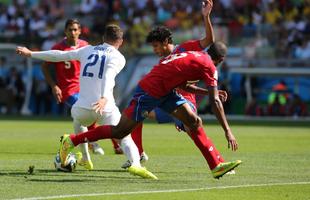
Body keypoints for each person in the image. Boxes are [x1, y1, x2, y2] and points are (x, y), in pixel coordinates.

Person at [17, 41, 242, 179]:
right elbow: (216, 103)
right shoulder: (209, 65)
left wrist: (201, 93)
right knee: (118, 132)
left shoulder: (196, 55)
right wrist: (228, 131)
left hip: (164, 90)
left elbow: (180, 82)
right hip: (149, 92)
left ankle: (216, 165)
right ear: (220, 59)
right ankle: (73, 140)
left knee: (194, 121)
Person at [16, 24, 157, 179]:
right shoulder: (118, 57)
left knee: (78, 121)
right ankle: (135, 164)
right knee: (124, 136)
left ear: (103, 38)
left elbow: (59, 55)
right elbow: (108, 75)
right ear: (121, 41)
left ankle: (85, 157)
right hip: (105, 107)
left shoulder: (87, 49)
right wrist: (103, 97)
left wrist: (31, 53)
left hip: (83, 108)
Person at [124, 0, 230, 171]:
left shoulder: (185, 49)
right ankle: (138, 154)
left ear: (166, 42)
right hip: (168, 100)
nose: (154, 50)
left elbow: (209, 40)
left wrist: (206, 16)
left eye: (156, 46)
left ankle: (220, 162)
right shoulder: (163, 61)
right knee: (137, 114)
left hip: (185, 102)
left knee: (195, 130)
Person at [40, 19, 122, 158]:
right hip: (68, 90)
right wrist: (54, 86)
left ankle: (112, 144)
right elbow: (45, 65)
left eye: (75, 29)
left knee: (98, 113)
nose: (73, 32)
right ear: (65, 31)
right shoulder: (59, 47)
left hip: (84, 87)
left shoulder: (85, 46)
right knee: (89, 111)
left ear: (79, 31)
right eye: (70, 30)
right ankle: (93, 143)